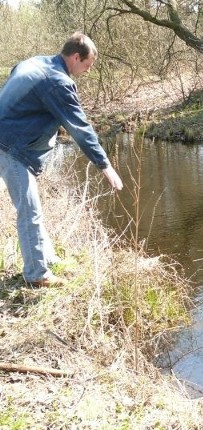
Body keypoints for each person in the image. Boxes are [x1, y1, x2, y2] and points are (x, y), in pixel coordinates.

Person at [0, 32, 123, 288]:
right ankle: (37, 275)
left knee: (31, 206)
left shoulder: (32, 63)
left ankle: (47, 258)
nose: (88, 71)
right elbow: (80, 129)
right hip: (12, 148)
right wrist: (105, 166)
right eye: (87, 65)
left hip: (8, 142)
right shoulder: (57, 82)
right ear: (76, 57)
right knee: (29, 211)